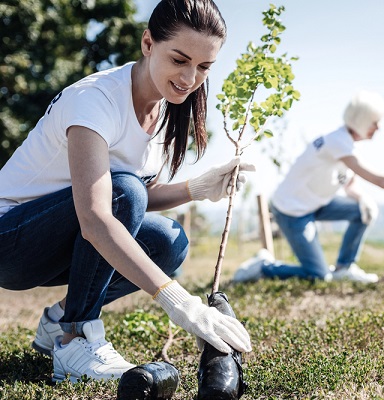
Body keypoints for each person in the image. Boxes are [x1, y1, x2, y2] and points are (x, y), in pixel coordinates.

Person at [0, 0, 254, 383]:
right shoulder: (96, 100)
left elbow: (132, 201)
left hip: (63, 235)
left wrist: (198, 188)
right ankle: (75, 338)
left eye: (204, 67)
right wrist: (180, 303)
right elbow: (99, 215)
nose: (190, 78)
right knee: (124, 193)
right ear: (148, 43)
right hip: (11, 242)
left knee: (170, 241)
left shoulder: (166, 107)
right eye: (180, 60)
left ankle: (58, 322)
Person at [232, 90, 384, 284]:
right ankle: (264, 266)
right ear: (362, 121)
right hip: (292, 211)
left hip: (316, 203)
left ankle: (345, 268)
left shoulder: (345, 145)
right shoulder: (338, 142)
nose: (379, 127)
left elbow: (350, 184)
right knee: (317, 275)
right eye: (375, 122)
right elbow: (379, 180)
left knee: (361, 211)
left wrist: (361, 199)